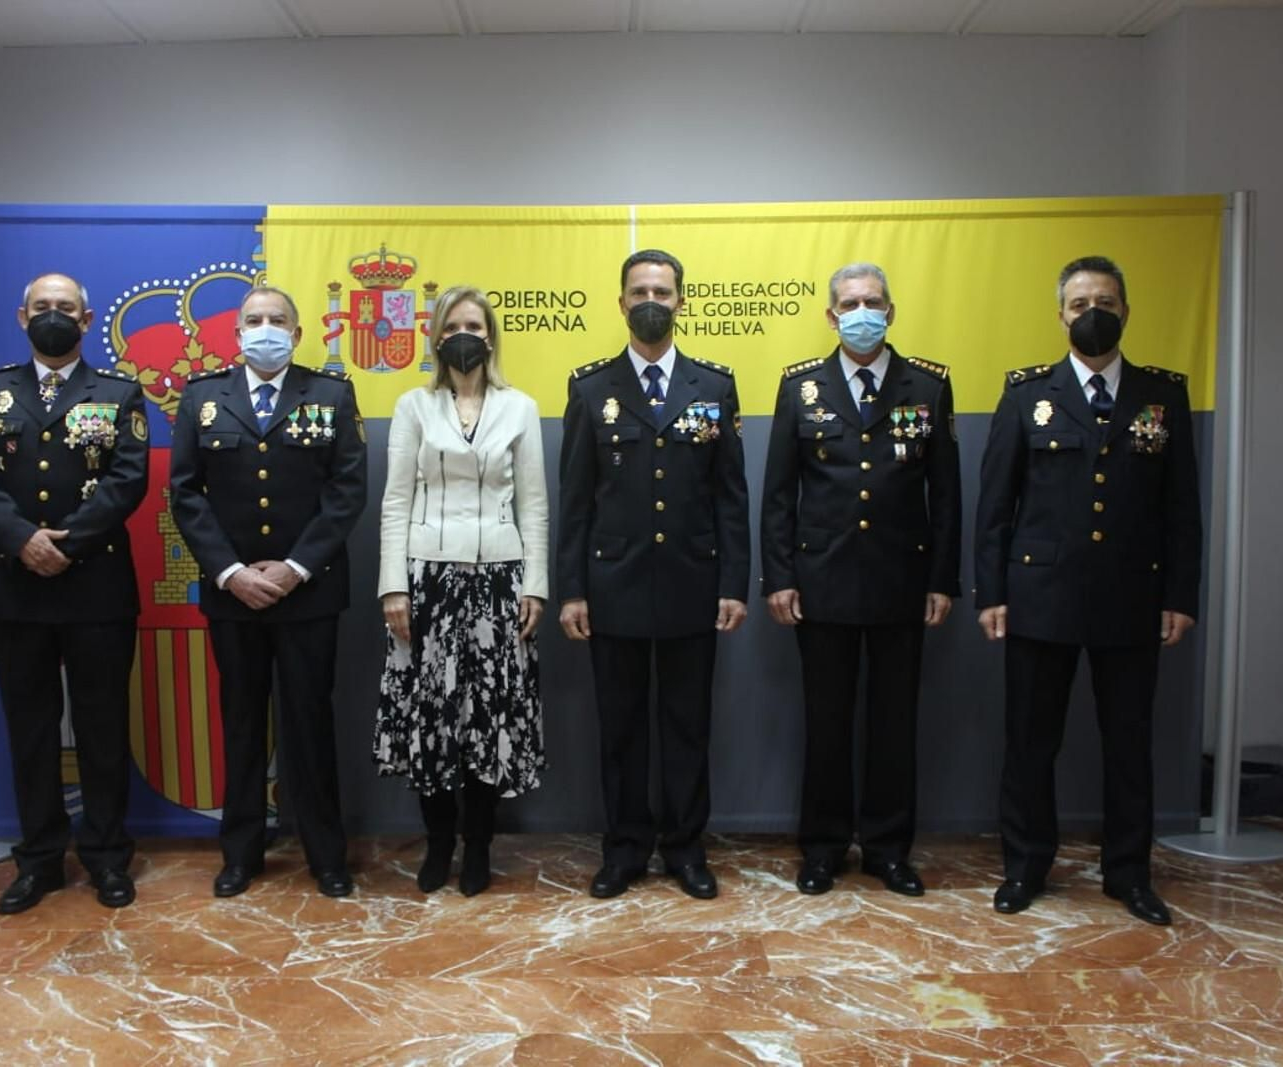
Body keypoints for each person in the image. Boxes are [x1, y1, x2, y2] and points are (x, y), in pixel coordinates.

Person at [975, 255, 1202, 926]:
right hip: (1039, 598)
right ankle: (1025, 866)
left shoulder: (1162, 395)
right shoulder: (1027, 394)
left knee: (1129, 744)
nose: (1092, 314)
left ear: (1125, 310)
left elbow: (1182, 509)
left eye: (1104, 302)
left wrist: (1181, 595)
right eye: (1080, 304)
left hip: (1132, 598)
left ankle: (1129, 873)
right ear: (1061, 316)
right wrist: (991, 593)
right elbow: (996, 505)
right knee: (1029, 742)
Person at [760, 262, 961, 898]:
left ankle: (887, 849)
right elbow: (778, 493)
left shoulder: (927, 385)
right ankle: (822, 847)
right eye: (849, 304)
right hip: (821, 582)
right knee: (826, 723)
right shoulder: (801, 387)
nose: (862, 313)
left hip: (902, 580)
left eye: (873, 302)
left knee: (894, 723)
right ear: (831, 316)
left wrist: (942, 579)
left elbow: (946, 494)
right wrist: (779, 577)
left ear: (891, 311)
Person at [0, 272, 148, 914]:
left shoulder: (118, 392)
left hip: (95, 585)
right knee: (30, 729)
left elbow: (128, 479)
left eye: (66, 307)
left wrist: (67, 544)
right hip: (15, 586)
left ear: (86, 321)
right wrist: (22, 540)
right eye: (43, 307)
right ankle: (38, 861)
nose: (53, 315)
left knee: (101, 727)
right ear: (22, 316)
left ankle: (107, 857)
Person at [557, 249, 750, 900]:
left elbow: (731, 497)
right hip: (613, 587)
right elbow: (575, 500)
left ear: (681, 301)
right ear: (620, 303)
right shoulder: (591, 387)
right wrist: (572, 590)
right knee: (622, 729)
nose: (650, 301)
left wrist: (734, 584)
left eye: (662, 292)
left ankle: (686, 849)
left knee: (688, 727)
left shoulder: (713, 386)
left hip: (694, 583)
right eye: (639, 291)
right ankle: (625, 849)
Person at [169, 284, 367, 899]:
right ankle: (241, 854)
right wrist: (231, 572)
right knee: (242, 723)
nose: (265, 328)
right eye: (253, 320)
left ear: (297, 333)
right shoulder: (203, 397)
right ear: (236, 334)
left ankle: (326, 855)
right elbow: (185, 492)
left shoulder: (331, 394)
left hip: (309, 594)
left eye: (277, 319)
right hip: (233, 596)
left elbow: (347, 491)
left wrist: (295, 567)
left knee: (310, 724)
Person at [375, 287, 549, 897]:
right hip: (427, 580)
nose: (463, 336)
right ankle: (439, 843)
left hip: (500, 580)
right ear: (436, 338)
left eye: (474, 325)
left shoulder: (520, 407)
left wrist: (536, 586)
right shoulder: (414, 406)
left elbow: (534, 505)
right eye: (452, 327)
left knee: (487, 718)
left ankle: (478, 846)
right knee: (432, 718)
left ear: (491, 336)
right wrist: (393, 586)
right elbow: (395, 501)